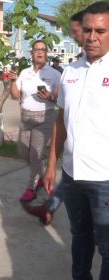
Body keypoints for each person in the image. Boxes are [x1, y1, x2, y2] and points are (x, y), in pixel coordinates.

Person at [43, 2, 109, 279]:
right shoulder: (70, 72)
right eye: (87, 29)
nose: (92, 36)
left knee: (107, 247)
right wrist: (51, 165)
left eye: (101, 30)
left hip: (104, 180)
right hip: (71, 176)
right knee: (80, 239)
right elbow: (60, 121)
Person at [23, 9, 85, 225]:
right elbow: (62, 114)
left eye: (79, 32)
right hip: (77, 152)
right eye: (76, 32)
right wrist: (51, 165)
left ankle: (49, 207)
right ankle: (49, 207)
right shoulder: (74, 69)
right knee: (70, 178)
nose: (76, 36)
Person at [8, 40, 61, 203]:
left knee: (35, 154)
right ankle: (39, 175)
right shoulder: (24, 72)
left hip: (45, 117)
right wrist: (11, 81)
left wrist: (50, 96)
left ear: (46, 53)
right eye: (36, 50)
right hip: (26, 117)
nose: (39, 52)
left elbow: (60, 97)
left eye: (43, 50)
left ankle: (32, 187)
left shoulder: (55, 74)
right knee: (23, 152)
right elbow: (15, 96)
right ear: (31, 53)